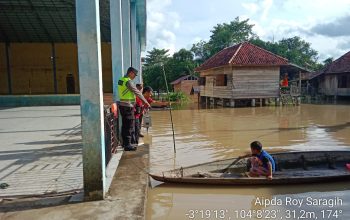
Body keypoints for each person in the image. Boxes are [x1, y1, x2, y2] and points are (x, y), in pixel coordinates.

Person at [118, 67, 150, 151]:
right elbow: (137, 92)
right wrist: (146, 102)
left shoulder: (121, 80)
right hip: (127, 106)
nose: (134, 77)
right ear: (131, 73)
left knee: (125, 125)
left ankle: (125, 143)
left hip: (123, 105)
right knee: (129, 126)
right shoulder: (128, 81)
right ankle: (127, 145)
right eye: (134, 75)